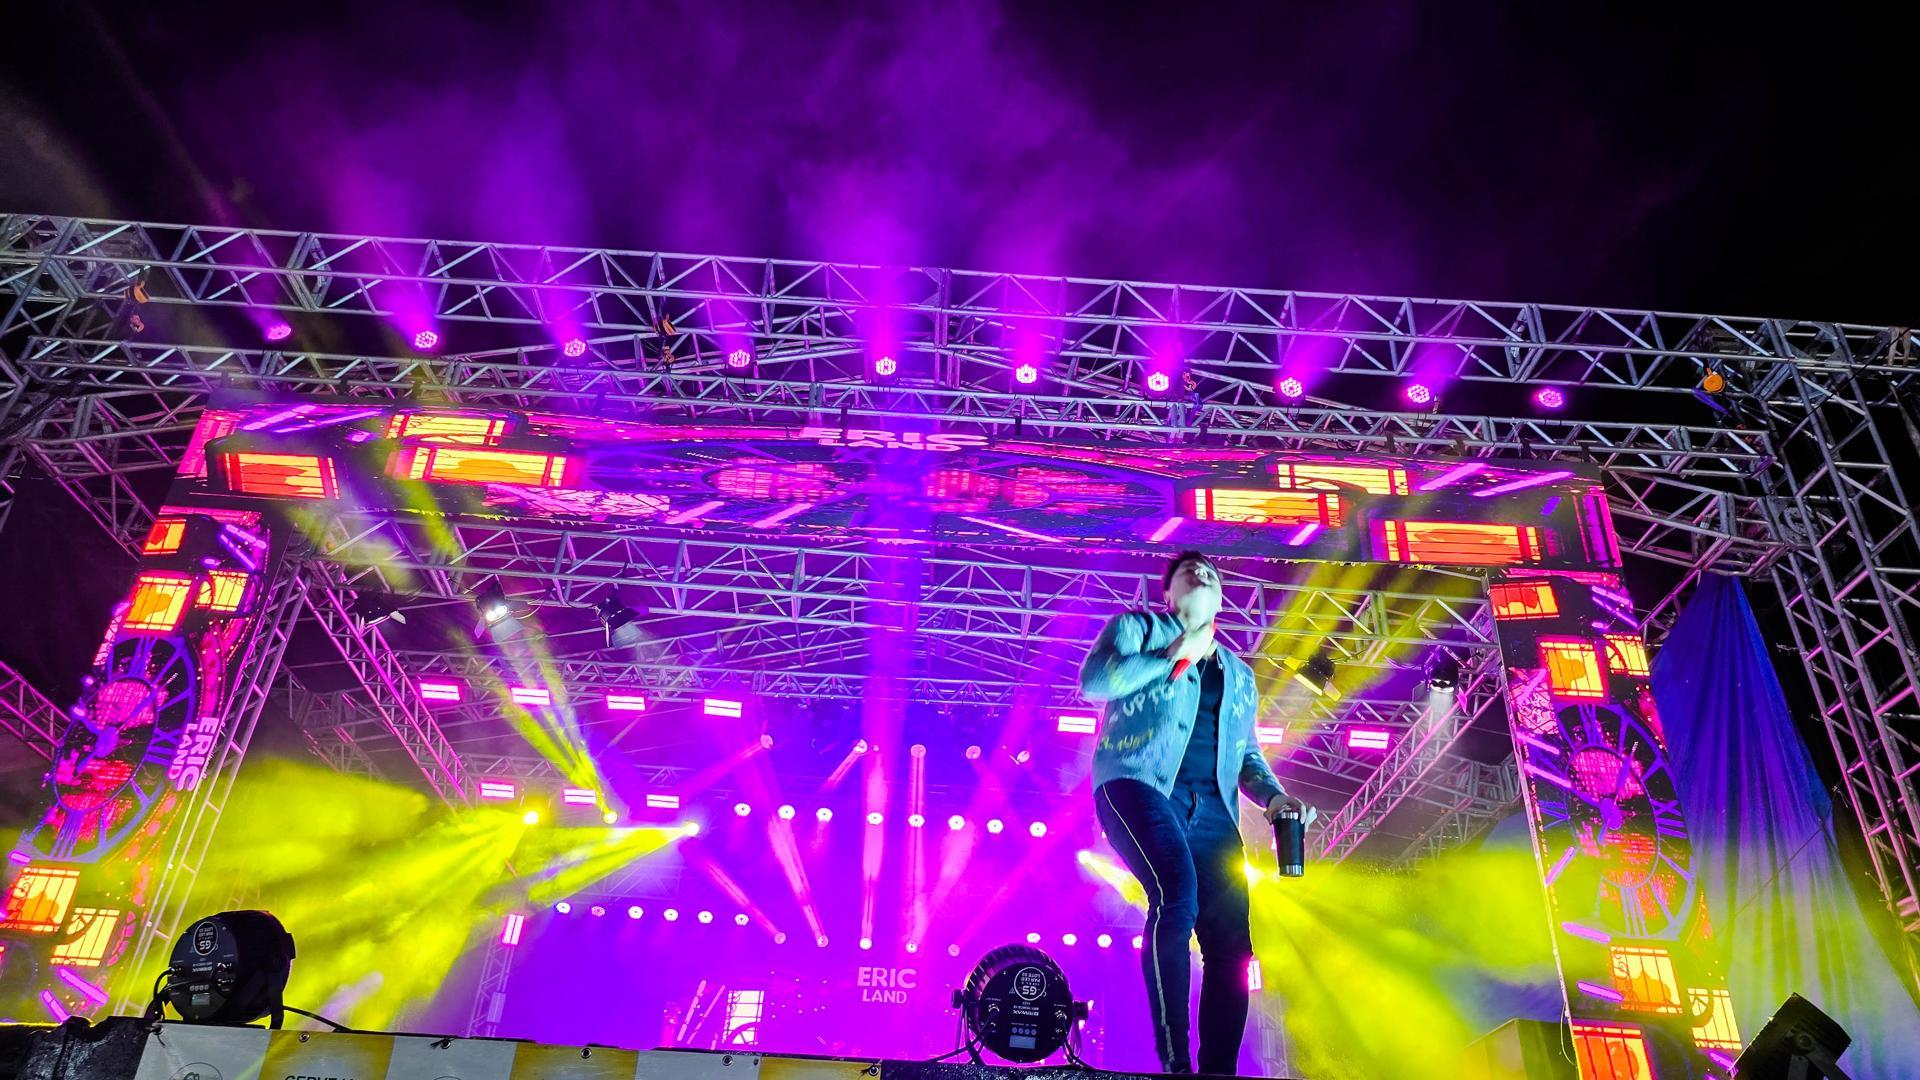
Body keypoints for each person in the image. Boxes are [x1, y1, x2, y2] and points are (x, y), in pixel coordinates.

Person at [1079, 550, 1317, 1076]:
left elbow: (1247, 754)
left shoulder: (1240, 675)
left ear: (1221, 597)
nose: (1202, 571)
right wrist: (1172, 654)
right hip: (1136, 783)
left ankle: (1217, 1071)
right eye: (1188, 570)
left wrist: (1276, 797)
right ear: (1168, 593)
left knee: (1233, 944)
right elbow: (1095, 682)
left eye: (1210, 571)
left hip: (1213, 812)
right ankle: (1175, 1061)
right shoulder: (1137, 629)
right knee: (1176, 895)